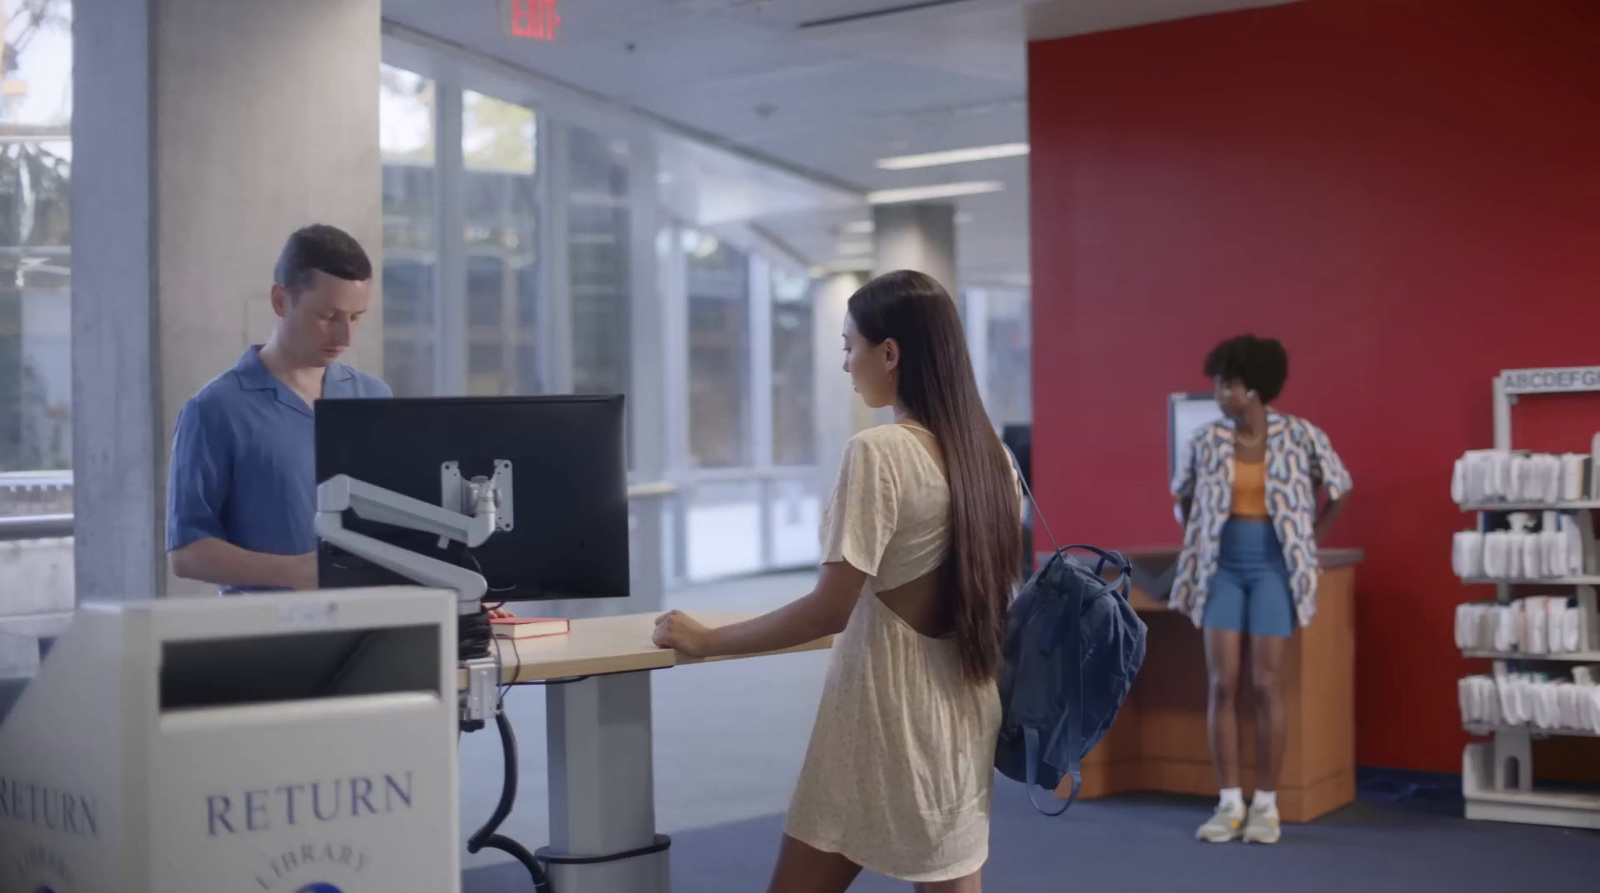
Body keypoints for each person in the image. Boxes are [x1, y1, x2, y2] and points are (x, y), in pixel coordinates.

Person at [653, 270, 1022, 893]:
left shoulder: (879, 454)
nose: (846, 363)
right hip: (963, 710)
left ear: (890, 352)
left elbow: (830, 610)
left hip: (883, 719)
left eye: (849, 346)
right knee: (950, 875)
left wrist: (707, 640)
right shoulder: (995, 458)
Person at [1170, 335, 1352, 845]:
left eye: (1225, 383)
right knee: (1222, 684)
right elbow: (1182, 497)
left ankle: (1266, 806)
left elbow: (1339, 486)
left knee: (1267, 684)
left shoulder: (1300, 436)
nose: (1218, 392)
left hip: (1274, 570)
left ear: (1251, 388)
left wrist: (1309, 541)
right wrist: (1200, 538)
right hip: (1222, 571)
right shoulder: (1206, 441)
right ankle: (1229, 802)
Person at [166, 224, 391, 592]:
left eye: (355, 318)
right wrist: (298, 572)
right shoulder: (214, 410)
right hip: (270, 638)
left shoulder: (374, 397)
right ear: (280, 301)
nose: (345, 337)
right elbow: (187, 552)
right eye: (327, 317)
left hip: (374, 626)